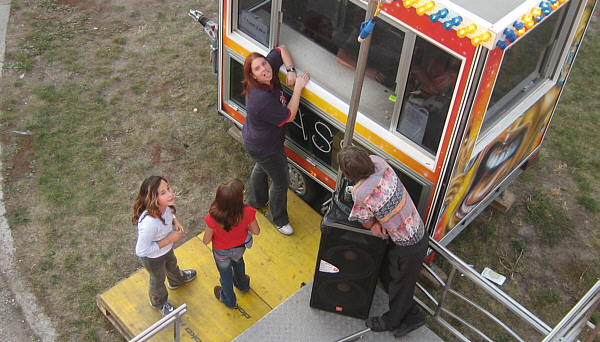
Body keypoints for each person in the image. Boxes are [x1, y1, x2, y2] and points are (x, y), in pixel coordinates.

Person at [337, 146, 429, 338]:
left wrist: (373, 225)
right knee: (392, 276)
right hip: (416, 227)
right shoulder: (379, 162)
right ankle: (410, 313)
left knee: (399, 285)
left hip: (407, 245)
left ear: (349, 174)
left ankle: (393, 321)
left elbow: (367, 221)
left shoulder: (360, 192)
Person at [241, 45, 310, 235]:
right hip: (265, 147)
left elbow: (282, 49)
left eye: (264, 63)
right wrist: (297, 87)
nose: (264, 69)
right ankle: (278, 219)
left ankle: (256, 201)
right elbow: (289, 115)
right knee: (280, 182)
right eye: (257, 69)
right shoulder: (261, 99)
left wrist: (290, 70)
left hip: (256, 140)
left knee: (261, 167)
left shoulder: (268, 69)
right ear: (252, 76)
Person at [132, 176, 197, 316]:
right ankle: (158, 302)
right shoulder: (149, 224)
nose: (170, 193)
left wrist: (176, 222)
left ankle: (176, 280)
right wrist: (168, 240)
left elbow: (170, 214)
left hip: (166, 250)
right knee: (158, 279)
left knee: (172, 265)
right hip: (153, 258)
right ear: (152, 200)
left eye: (168, 188)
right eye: (163, 193)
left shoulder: (164, 206)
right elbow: (141, 251)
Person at [203, 179, 261, 309]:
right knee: (239, 264)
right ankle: (243, 285)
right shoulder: (248, 212)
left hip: (221, 252)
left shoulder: (213, 217)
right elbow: (256, 231)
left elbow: (206, 240)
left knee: (225, 275)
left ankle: (229, 301)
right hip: (239, 249)